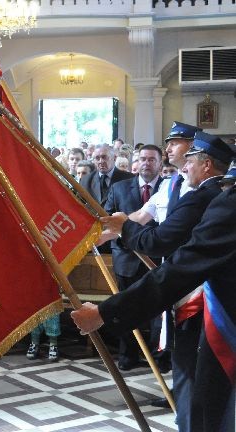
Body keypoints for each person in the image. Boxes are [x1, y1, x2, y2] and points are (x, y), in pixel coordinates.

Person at [72, 183, 236, 432]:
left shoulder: (223, 200)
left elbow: (181, 267)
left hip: (223, 327)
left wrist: (104, 313)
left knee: (209, 408)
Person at [103, 144, 163, 371]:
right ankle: (128, 354)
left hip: (156, 259)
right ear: (137, 161)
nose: (147, 163)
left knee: (159, 309)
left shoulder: (168, 188)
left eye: (152, 160)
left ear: (159, 162)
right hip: (126, 258)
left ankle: (158, 356)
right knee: (125, 308)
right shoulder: (119, 188)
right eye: (143, 159)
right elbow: (109, 219)